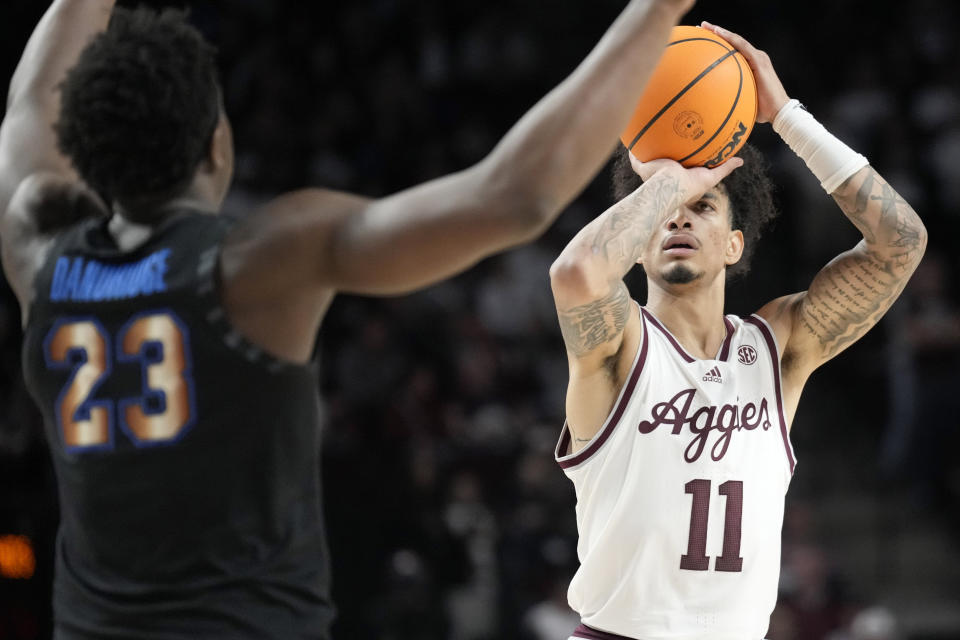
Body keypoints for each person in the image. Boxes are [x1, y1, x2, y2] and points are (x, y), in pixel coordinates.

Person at [0, 0, 698, 637]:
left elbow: (28, 112)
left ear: (83, 143)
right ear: (218, 143)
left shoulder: (40, 258)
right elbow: (514, 196)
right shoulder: (258, 264)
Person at [549, 21, 927, 640]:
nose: (680, 218)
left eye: (703, 207)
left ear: (733, 245)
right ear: (640, 242)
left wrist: (787, 118)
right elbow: (576, 273)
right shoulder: (622, 347)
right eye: (666, 214)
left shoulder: (775, 349)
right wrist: (674, 177)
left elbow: (902, 242)